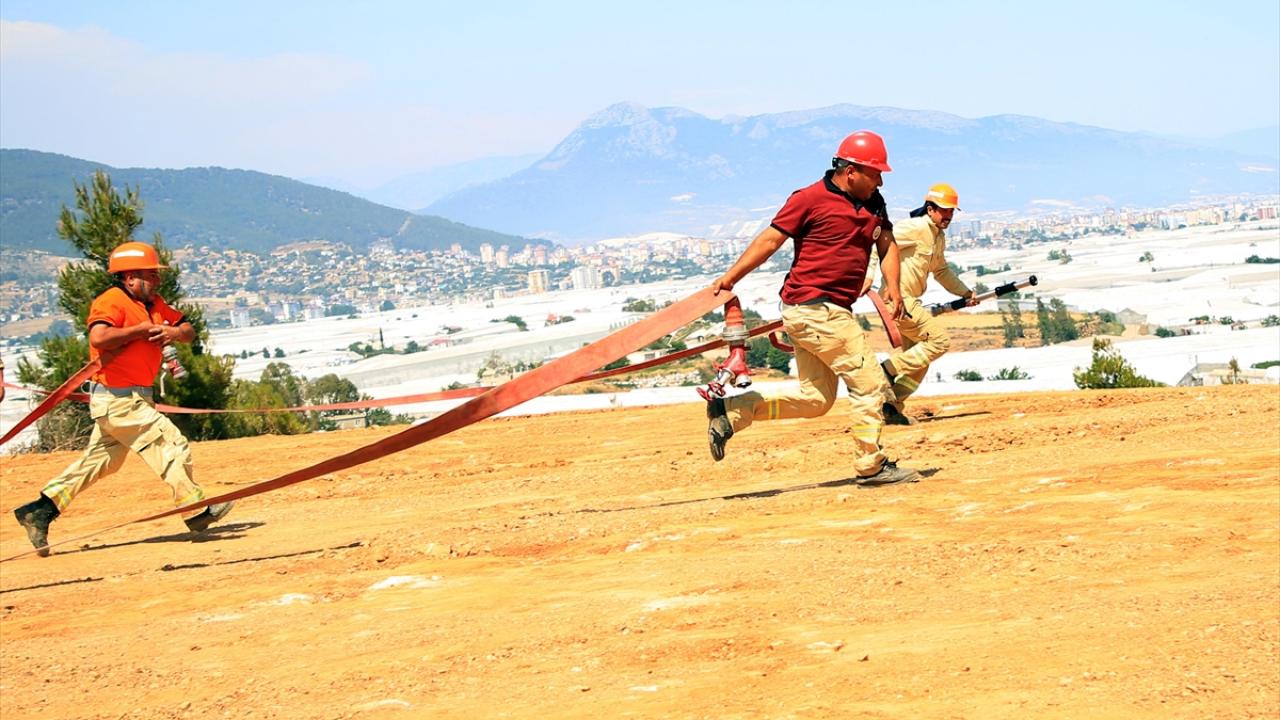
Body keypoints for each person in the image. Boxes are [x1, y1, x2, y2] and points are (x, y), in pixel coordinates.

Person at [706, 130, 920, 486]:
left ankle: (733, 412)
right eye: (875, 173)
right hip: (817, 309)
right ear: (851, 171)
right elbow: (771, 239)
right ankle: (871, 465)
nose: (880, 180)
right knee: (869, 385)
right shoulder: (808, 199)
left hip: (818, 313)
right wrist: (731, 278)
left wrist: (893, 287)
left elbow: (887, 244)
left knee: (816, 400)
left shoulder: (874, 202)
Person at [12, 242, 233, 556]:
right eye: (151, 275)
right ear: (129, 278)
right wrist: (139, 331)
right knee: (169, 442)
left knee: (101, 462)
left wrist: (174, 334)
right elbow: (99, 337)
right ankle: (195, 511)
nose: (157, 281)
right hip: (119, 400)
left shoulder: (155, 303)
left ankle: (39, 511)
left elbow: (188, 329)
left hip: (132, 399)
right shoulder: (112, 301)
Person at [877, 183, 977, 425]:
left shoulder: (937, 237)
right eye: (944, 210)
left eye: (952, 211)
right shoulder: (916, 227)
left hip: (910, 300)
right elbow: (880, 242)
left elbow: (941, 271)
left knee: (920, 362)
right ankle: (884, 371)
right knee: (939, 342)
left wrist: (965, 293)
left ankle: (890, 407)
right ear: (930, 209)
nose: (949, 216)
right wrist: (867, 276)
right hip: (898, 299)